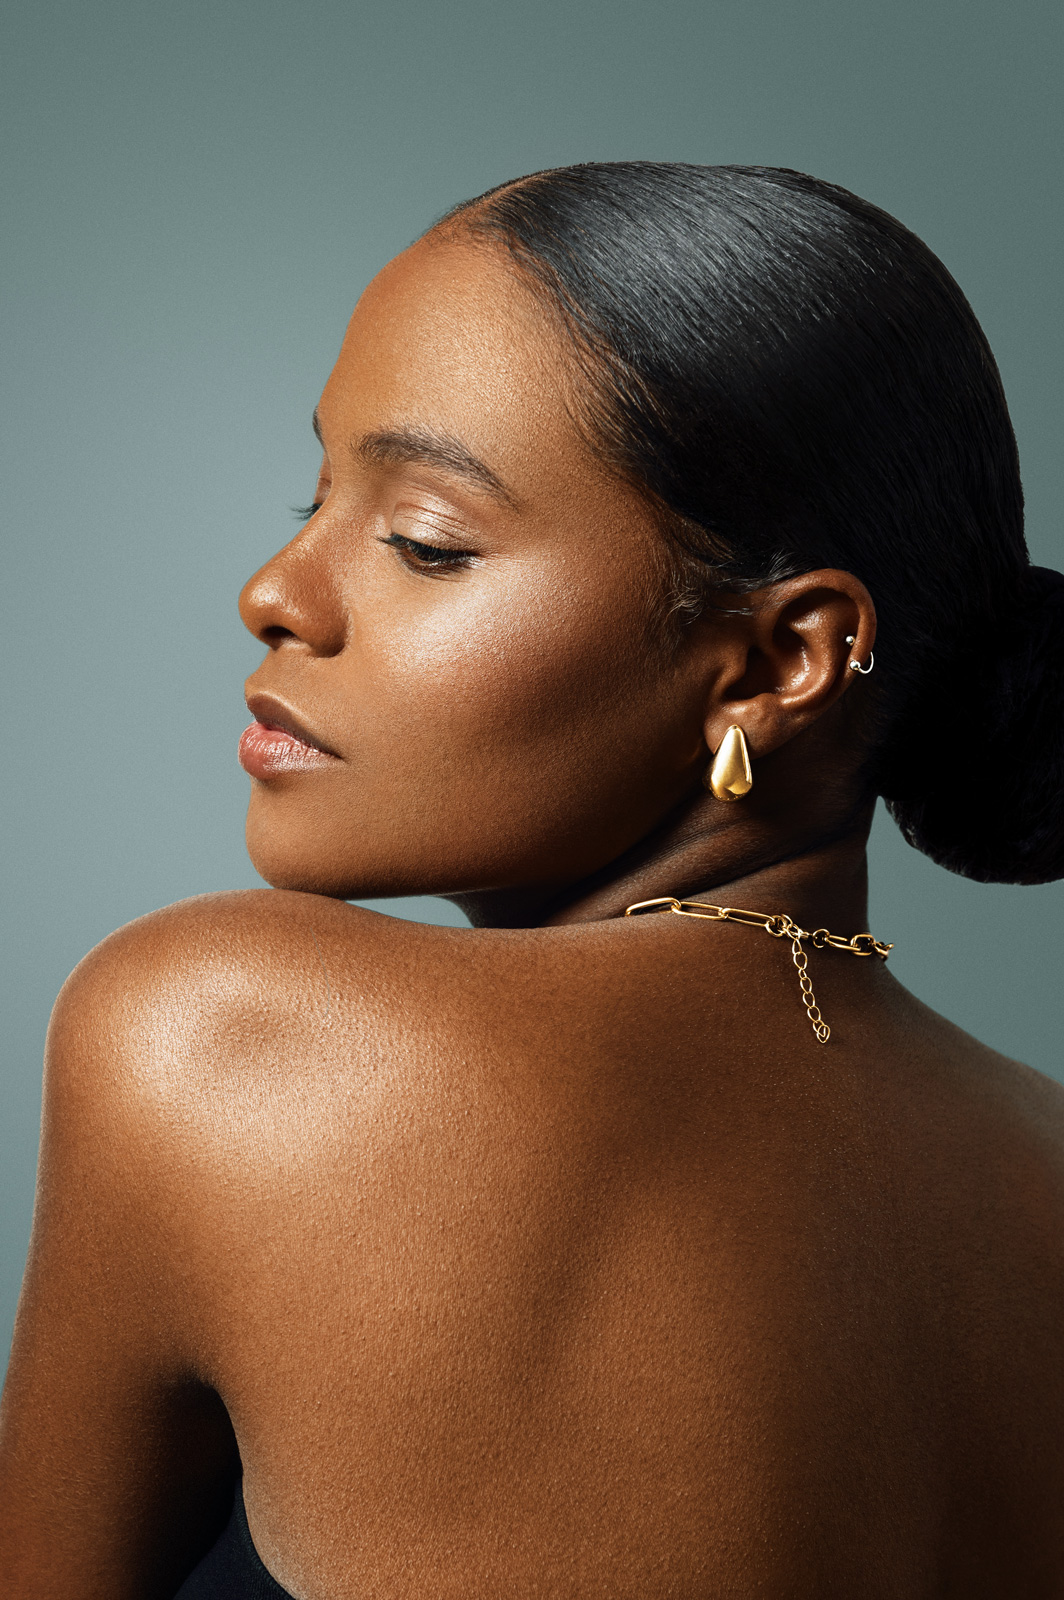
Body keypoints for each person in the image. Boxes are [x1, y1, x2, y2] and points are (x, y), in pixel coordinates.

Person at [1, 161, 1062, 1599]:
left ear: (774, 662)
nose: (275, 592)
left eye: (425, 543)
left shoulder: (231, 1033)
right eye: (318, 493)